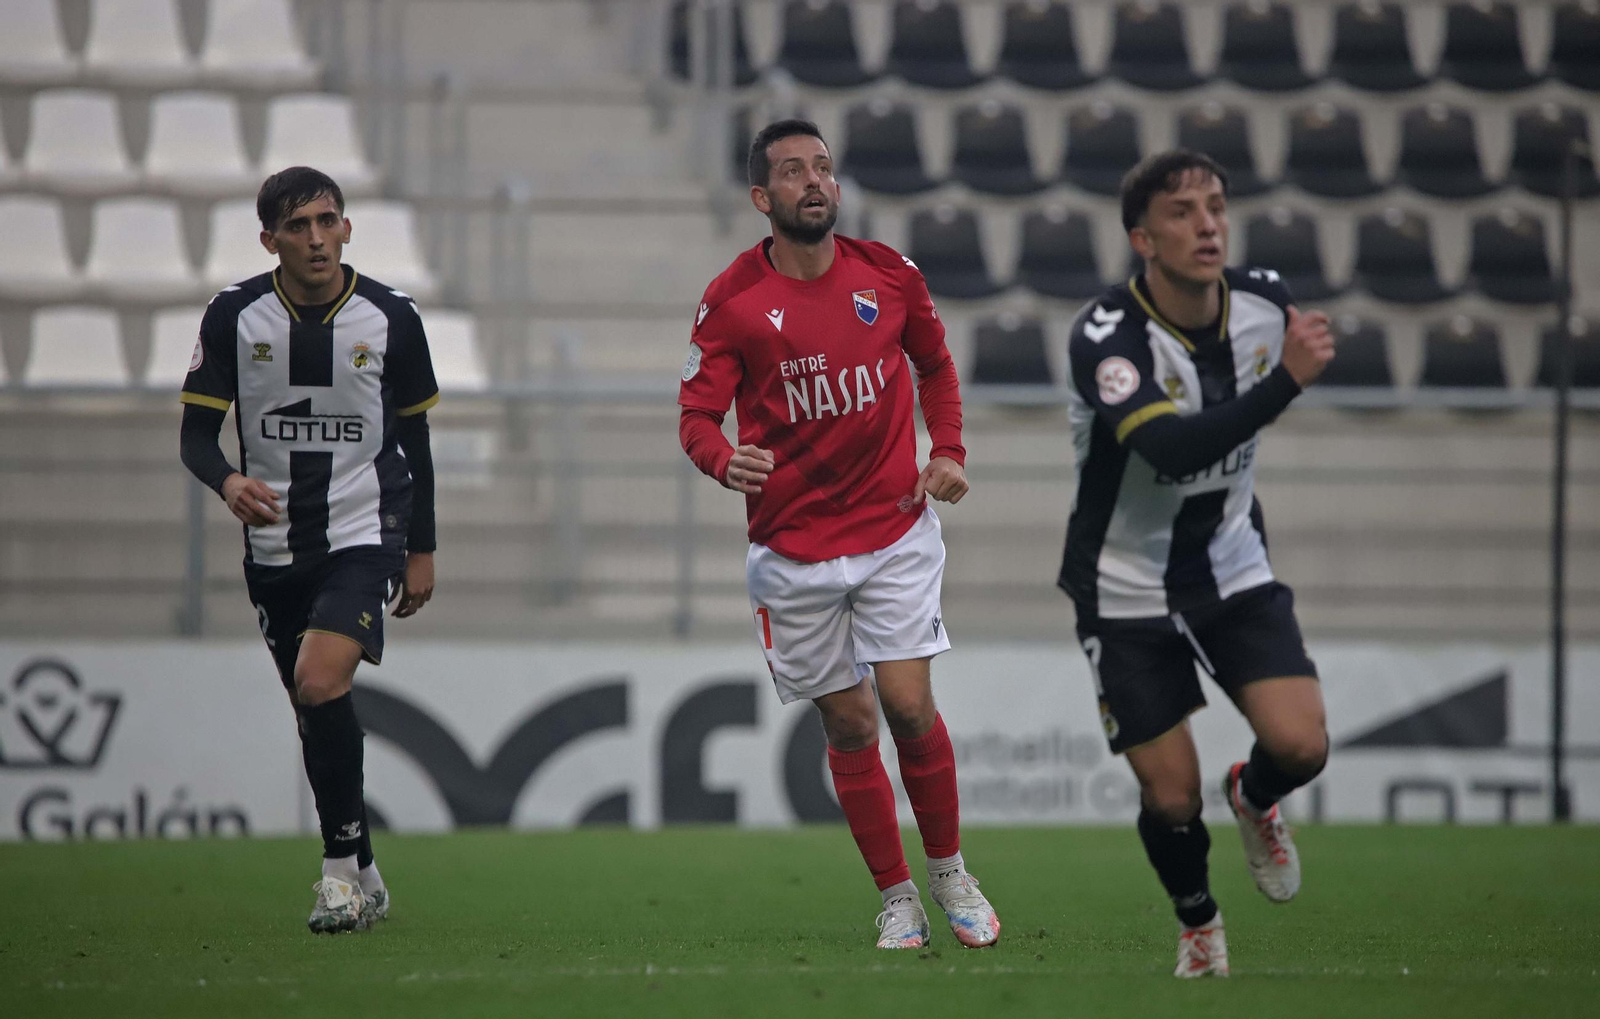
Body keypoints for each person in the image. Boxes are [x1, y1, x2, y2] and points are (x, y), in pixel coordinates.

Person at [678, 120, 1000, 950]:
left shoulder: (890, 275)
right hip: (791, 551)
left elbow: (935, 365)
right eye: (793, 171)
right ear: (763, 198)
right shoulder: (732, 299)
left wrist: (951, 450)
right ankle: (897, 897)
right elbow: (696, 415)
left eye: (822, 167)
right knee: (852, 723)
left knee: (905, 700)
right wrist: (723, 460)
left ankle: (949, 871)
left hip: (893, 529)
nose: (814, 181)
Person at [1057, 150, 1336, 977]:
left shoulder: (1263, 301)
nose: (1207, 223)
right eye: (1182, 211)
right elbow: (1168, 450)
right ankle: (1199, 922)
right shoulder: (1107, 336)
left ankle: (1253, 796)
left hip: (1231, 565)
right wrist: (1285, 383)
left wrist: (1281, 372)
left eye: (1215, 205)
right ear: (1143, 237)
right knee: (1172, 795)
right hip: (1122, 584)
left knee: (1304, 745)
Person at [179, 166, 440, 934]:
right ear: (270, 240)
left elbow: (418, 441)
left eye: (328, 221)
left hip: (365, 530)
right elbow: (195, 435)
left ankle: (334, 878)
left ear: (348, 228)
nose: (317, 238)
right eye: (298, 226)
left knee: (321, 681)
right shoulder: (235, 316)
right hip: (273, 542)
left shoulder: (392, 317)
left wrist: (420, 548)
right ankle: (363, 866)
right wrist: (228, 481)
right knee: (312, 703)